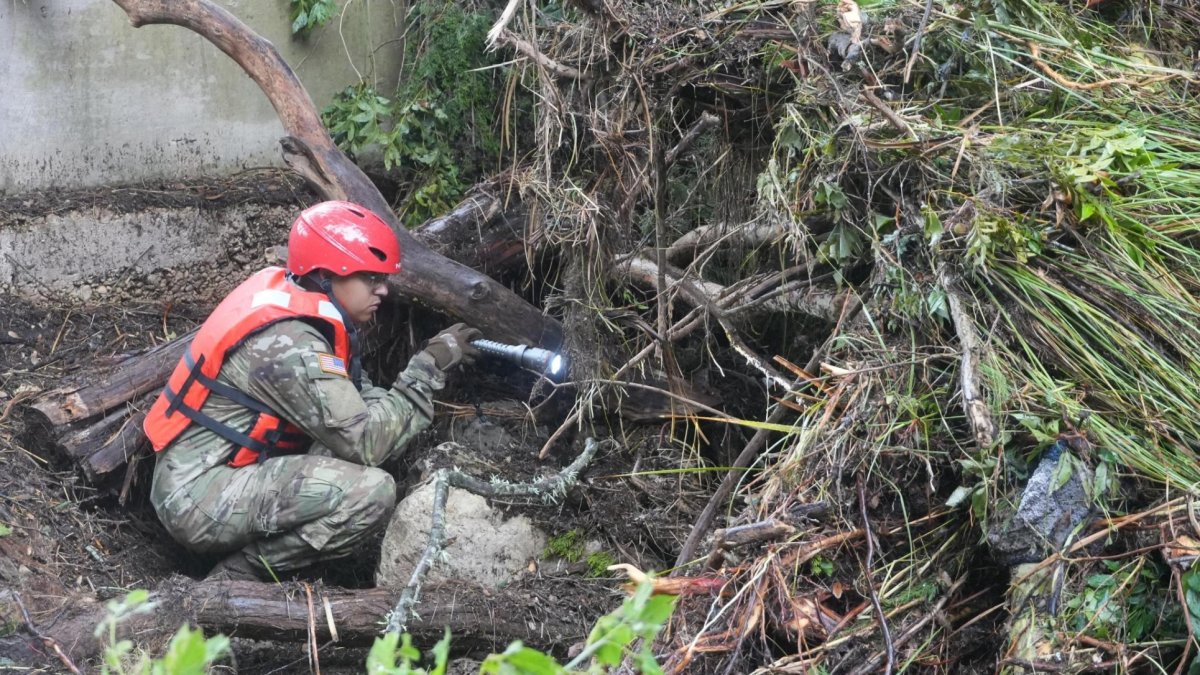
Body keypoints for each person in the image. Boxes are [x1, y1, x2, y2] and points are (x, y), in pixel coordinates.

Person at [143, 200, 481, 581]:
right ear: (326, 274)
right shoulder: (291, 345)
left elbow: (355, 395)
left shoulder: (299, 307)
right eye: (370, 277)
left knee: (345, 456)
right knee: (371, 492)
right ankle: (240, 575)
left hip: (211, 476)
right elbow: (367, 443)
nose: (383, 290)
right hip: (198, 500)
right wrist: (427, 368)